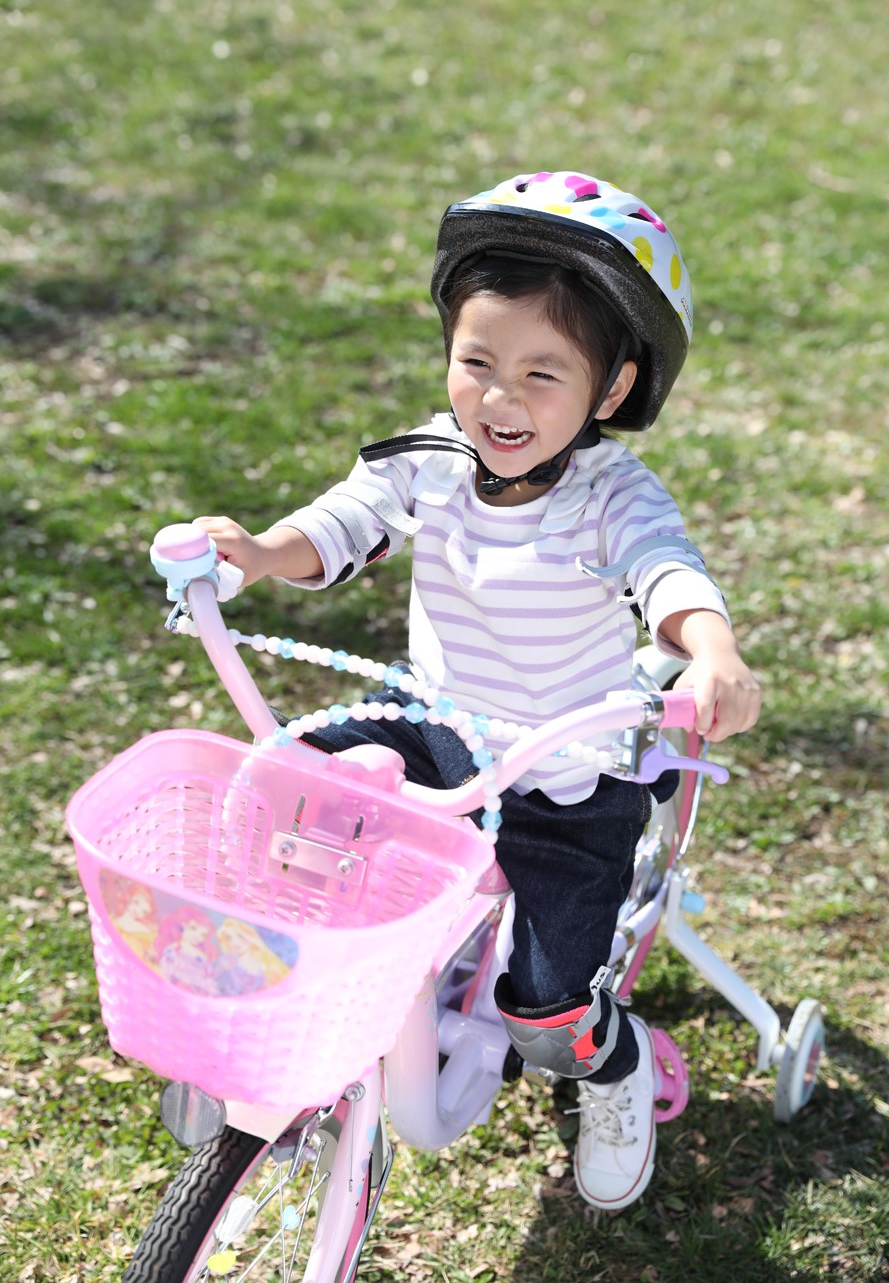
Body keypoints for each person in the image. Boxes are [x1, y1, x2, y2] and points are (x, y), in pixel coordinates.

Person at [196, 169, 761, 1211]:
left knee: (546, 1008)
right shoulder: (431, 456)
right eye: (477, 361)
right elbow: (343, 524)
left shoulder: (610, 498)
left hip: (566, 777)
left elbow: (666, 572)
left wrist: (711, 647)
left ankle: (614, 1060)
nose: (500, 400)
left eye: (543, 374)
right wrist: (260, 554)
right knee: (291, 791)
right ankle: (267, 1009)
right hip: (435, 722)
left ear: (612, 389)